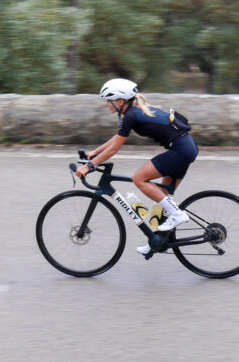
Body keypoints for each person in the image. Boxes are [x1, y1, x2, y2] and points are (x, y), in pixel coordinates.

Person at [75, 77, 198, 253]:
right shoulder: (134, 112)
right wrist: (95, 152)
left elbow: (113, 150)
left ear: (120, 101)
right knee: (163, 197)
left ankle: (178, 215)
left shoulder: (131, 115)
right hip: (187, 148)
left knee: (139, 179)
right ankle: (157, 242)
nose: (107, 105)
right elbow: (115, 140)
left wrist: (88, 166)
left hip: (181, 150)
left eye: (109, 101)